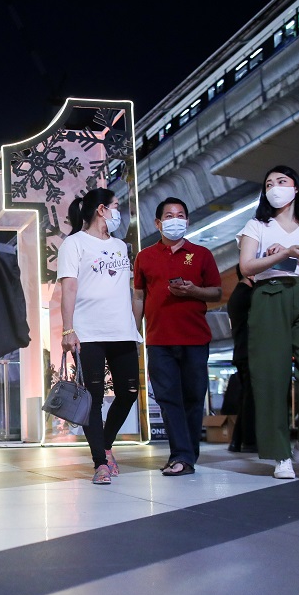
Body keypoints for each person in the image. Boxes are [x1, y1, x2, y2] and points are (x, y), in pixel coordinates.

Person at [238, 166, 299, 479]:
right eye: (268, 184)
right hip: (269, 296)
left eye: (282, 182)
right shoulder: (256, 225)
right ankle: (280, 453)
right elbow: (247, 267)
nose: (275, 188)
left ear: (296, 188)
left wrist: (293, 256)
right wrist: (279, 257)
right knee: (269, 377)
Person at [58, 188, 142, 484]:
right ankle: (100, 463)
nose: (120, 212)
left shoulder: (121, 246)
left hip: (122, 331)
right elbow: (68, 288)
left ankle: (105, 445)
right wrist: (68, 329)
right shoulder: (74, 244)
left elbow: (128, 291)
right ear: (102, 210)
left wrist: (135, 325)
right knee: (92, 399)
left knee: (129, 392)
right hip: (89, 331)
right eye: (116, 206)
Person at [133, 197, 221, 475]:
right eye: (169, 216)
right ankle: (181, 455)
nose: (175, 220)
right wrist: (134, 330)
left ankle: (186, 454)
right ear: (158, 223)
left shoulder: (202, 254)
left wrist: (194, 290)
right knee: (168, 398)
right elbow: (138, 295)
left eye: (180, 215)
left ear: (187, 221)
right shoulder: (144, 257)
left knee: (194, 397)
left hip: (195, 338)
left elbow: (216, 292)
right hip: (158, 339)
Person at [227, 265, 257, 453]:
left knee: (247, 397)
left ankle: (237, 441)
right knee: (251, 398)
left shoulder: (238, 293)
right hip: (248, 352)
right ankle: (249, 440)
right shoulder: (247, 294)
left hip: (242, 351)